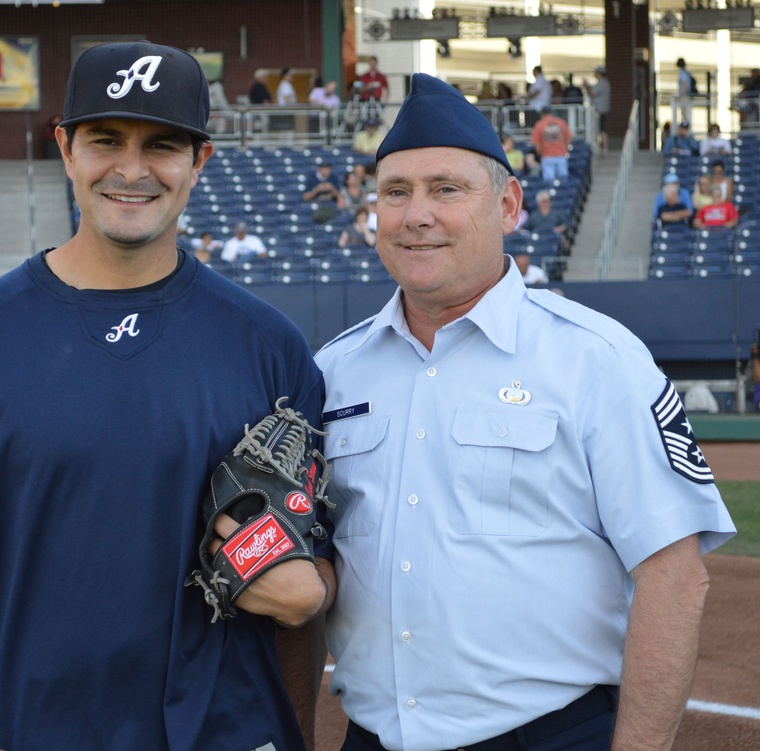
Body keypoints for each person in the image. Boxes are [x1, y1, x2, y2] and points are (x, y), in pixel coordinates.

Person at [0, 41, 333, 751]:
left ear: (199, 161)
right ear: (65, 148)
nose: (132, 169)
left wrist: (295, 730)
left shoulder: (270, 347)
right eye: (106, 139)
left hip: (227, 731)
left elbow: (307, 579)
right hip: (33, 728)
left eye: (163, 144)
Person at [314, 71, 736, 751]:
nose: (416, 213)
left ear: (508, 205)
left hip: (548, 735)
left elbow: (675, 576)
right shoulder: (333, 371)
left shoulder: (596, 358)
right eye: (396, 192)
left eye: (446, 189)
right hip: (373, 735)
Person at [530, 106, 572, 182]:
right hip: (561, 155)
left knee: (549, 183)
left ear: (542, 114)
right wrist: (565, 149)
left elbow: (536, 143)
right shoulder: (561, 122)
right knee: (563, 182)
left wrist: (541, 153)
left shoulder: (539, 125)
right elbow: (568, 138)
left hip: (547, 156)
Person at [582, 65, 611, 152]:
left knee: (601, 129)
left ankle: (604, 148)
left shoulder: (601, 83)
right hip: (602, 109)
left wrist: (586, 86)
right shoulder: (604, 82)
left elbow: (592, 93)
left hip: (600, 109)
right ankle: (603, 147)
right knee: (601, 128)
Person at [676, 57, 694, 124]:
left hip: (684, 96)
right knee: (686, 114)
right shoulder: (687, 72)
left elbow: (684, 84)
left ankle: (686, 129)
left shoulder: (683, 73)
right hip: (687, 95)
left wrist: (681, 95)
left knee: (685, 115)